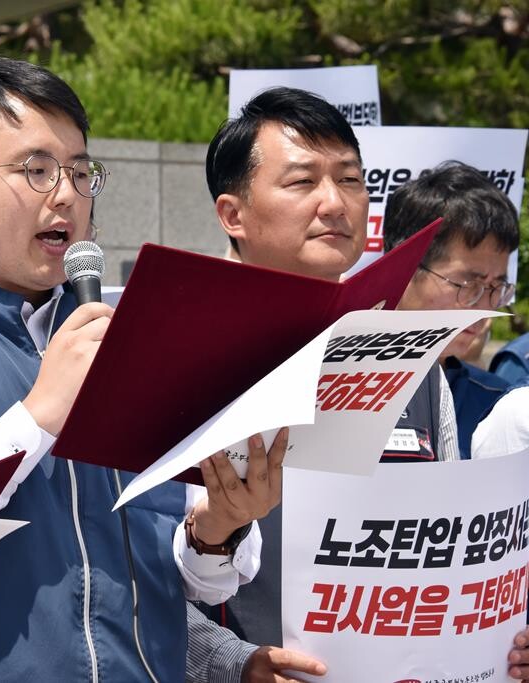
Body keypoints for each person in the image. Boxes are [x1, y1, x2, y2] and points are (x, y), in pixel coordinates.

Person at [0, 56, 296, 681]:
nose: (66, 194)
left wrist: (220, 529)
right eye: (35, 170)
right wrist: (37, 416)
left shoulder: (141, 342)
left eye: (80, 171)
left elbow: (197, 583)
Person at [203, 86, 529, 679]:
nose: (334, 202)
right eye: (303, 181)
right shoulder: (184, 357)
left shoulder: (418, 365)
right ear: (233, 214)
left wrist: (500, 638)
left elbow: (449, 549)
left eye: (350, 180)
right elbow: (125, 574)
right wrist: (228, 662)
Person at [383, 160, 518, 459]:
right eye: (469, 284)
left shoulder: (501, 406)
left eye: (497, 287)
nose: (484, 309)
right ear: (403, 268)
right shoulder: (334, 391)